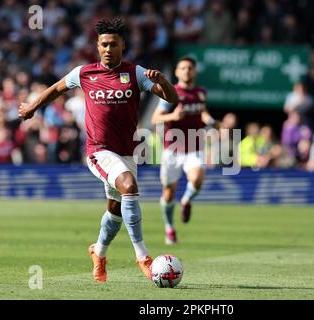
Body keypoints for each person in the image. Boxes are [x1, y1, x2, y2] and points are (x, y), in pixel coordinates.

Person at [18, 18, 178, 282]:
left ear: (122, 45)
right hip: (98, 151)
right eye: (104, 44)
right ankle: (143, 256)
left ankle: (98, 251)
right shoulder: (84, 73)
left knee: (115, 210)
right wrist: (33, 107)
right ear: (97, 46)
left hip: (126, 151)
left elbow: (171, 98)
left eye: (113, 44)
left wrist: (163, 80)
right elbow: (56, 89)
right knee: (129, 186)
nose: (108, 49)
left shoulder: (135, 73)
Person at [151, 56, 218, 245]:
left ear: (195, 71)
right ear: (177, 72)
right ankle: (169, 228)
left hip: (194, 147)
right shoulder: (171, 93)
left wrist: (212, 121)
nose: (187, 71)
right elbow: (155, 119)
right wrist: (173, 115)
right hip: (172, 149)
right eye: (183, 68)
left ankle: (186, 201)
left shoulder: (201, 92)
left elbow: (201, 111)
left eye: (190, 68)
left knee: (197, 179)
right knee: (168, 193)